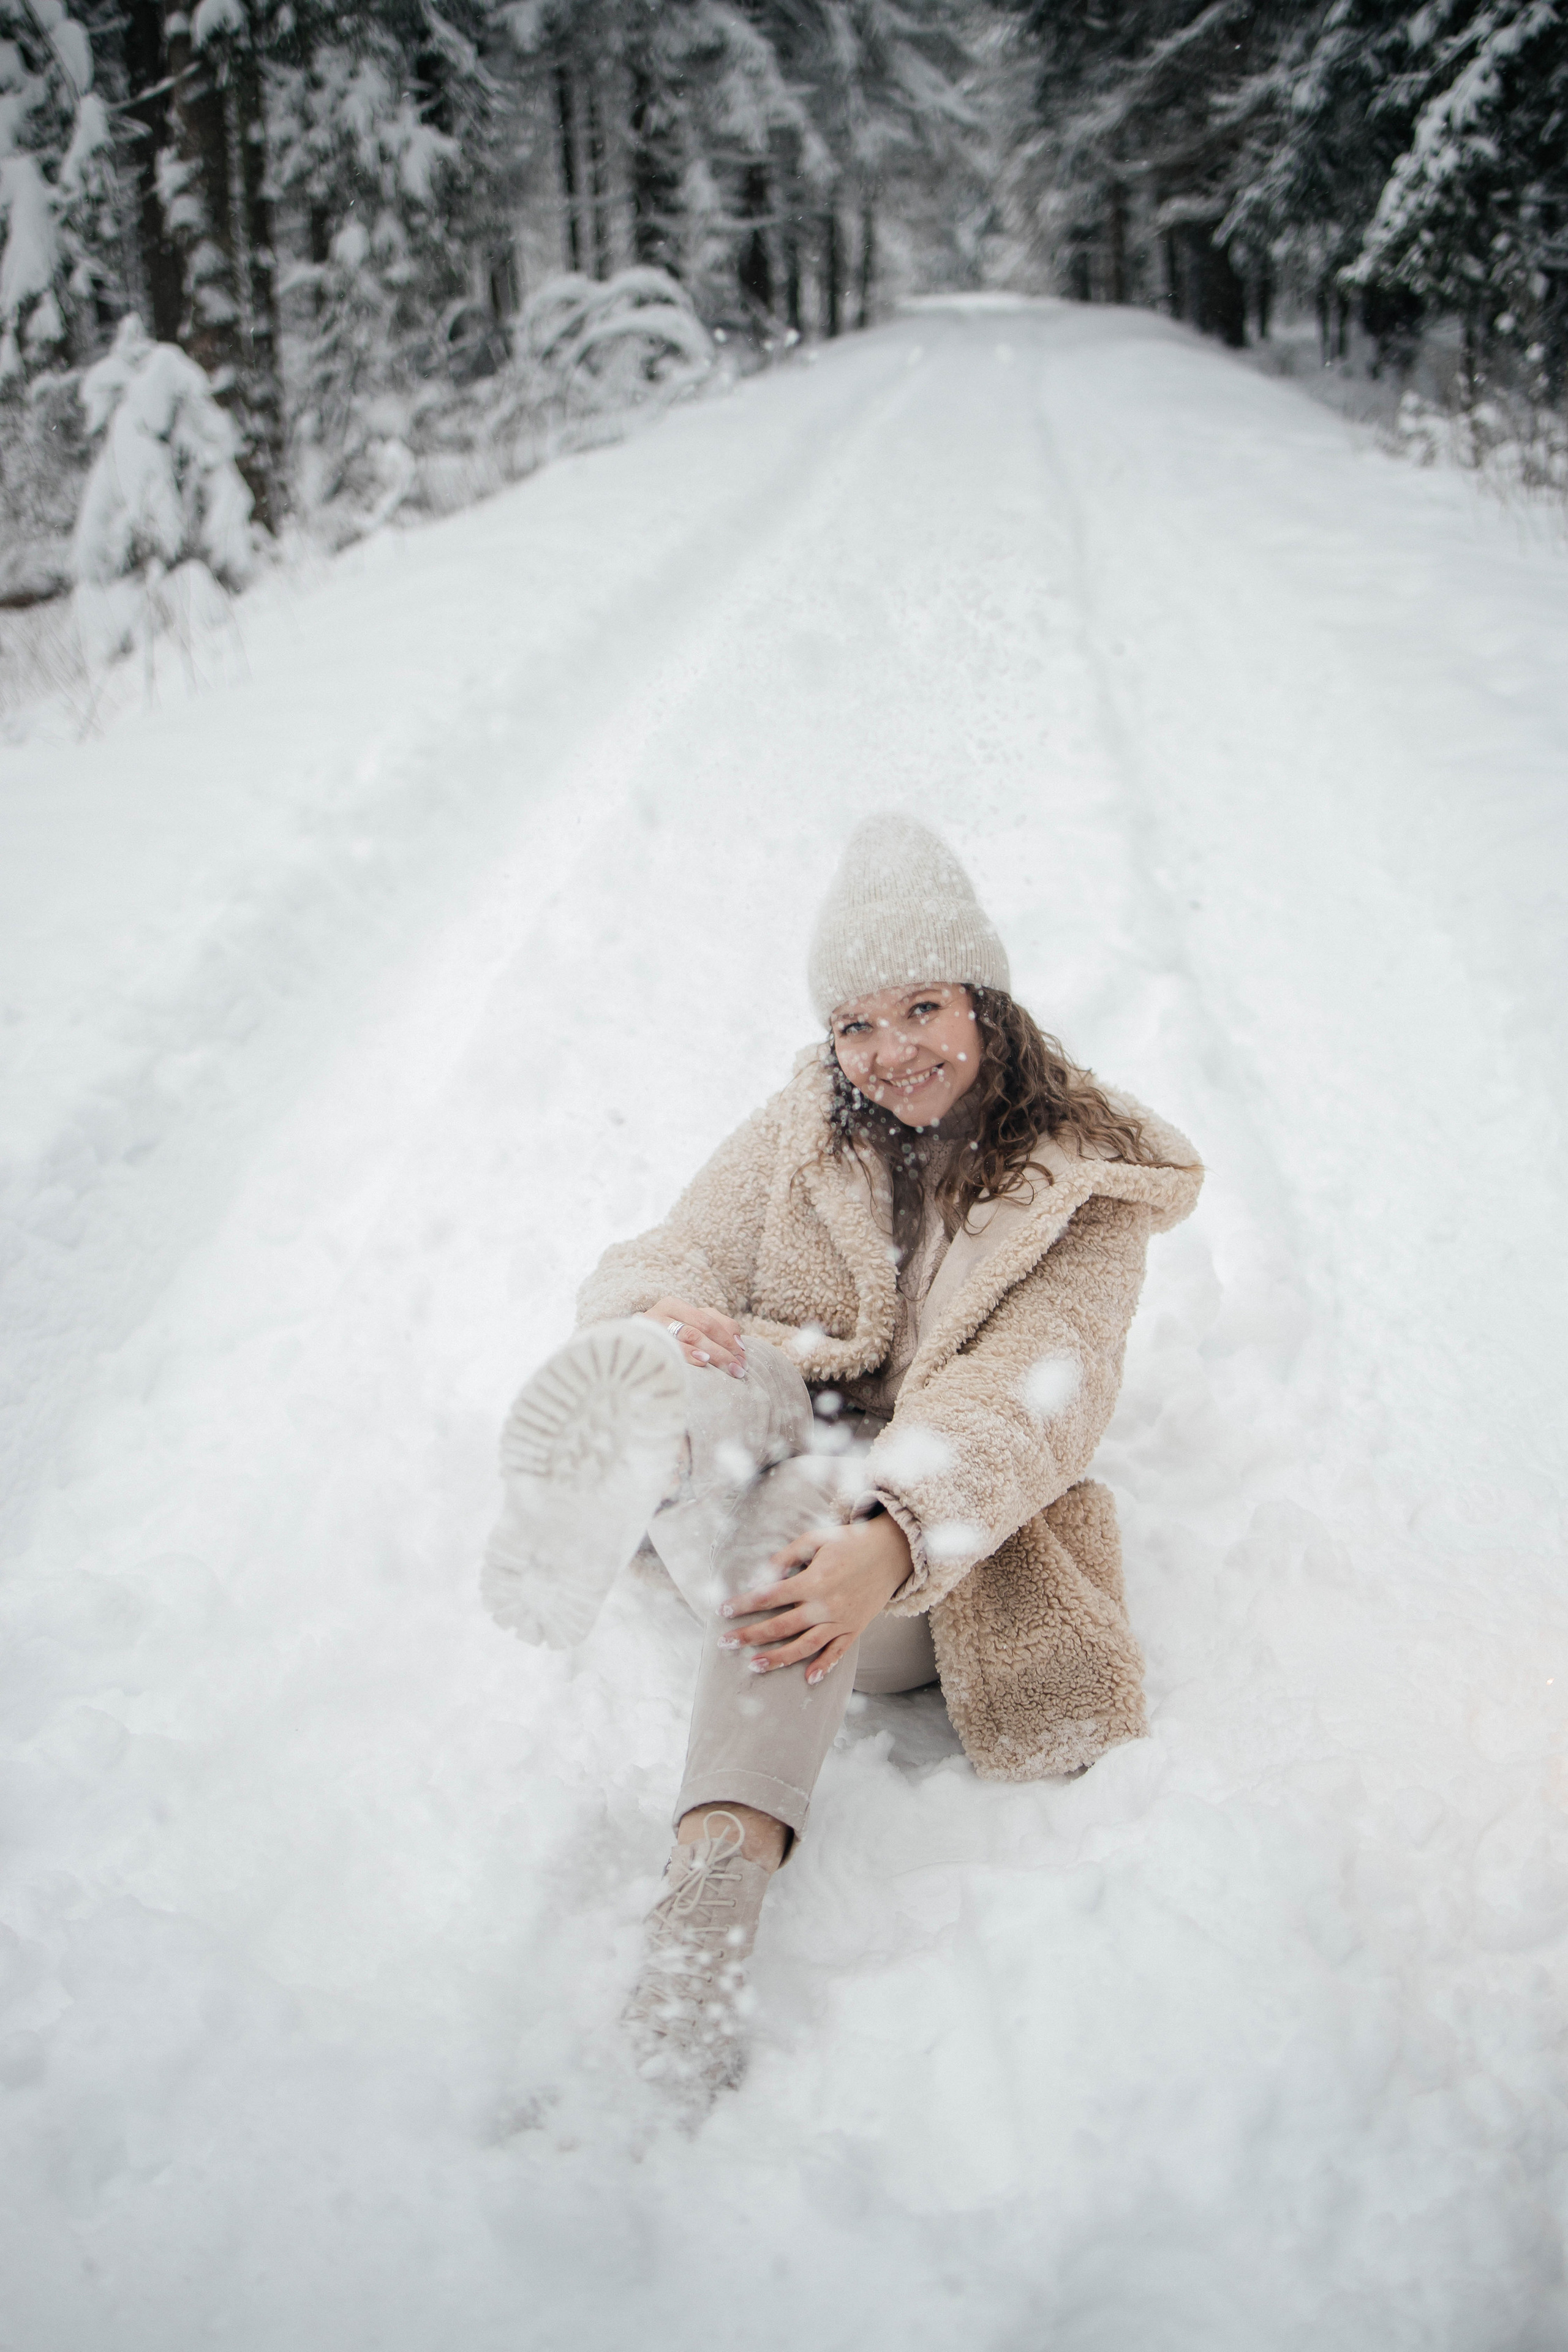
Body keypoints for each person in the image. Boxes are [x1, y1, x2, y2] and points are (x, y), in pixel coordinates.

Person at [481, 814, 1202, 2105]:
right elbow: (674, 1245)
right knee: (694, 1354)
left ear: (986, 1004)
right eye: (854, 1025)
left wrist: (895, 1532)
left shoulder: (1078, 1190)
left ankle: (709, 1898)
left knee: (814, 1491)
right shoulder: (806, 1124)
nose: (888, 1052)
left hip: (927, 1571)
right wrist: (659, 1314)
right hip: (757, 1481)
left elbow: (1032, 1401)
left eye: (920, 1006)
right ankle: (604, 1467)